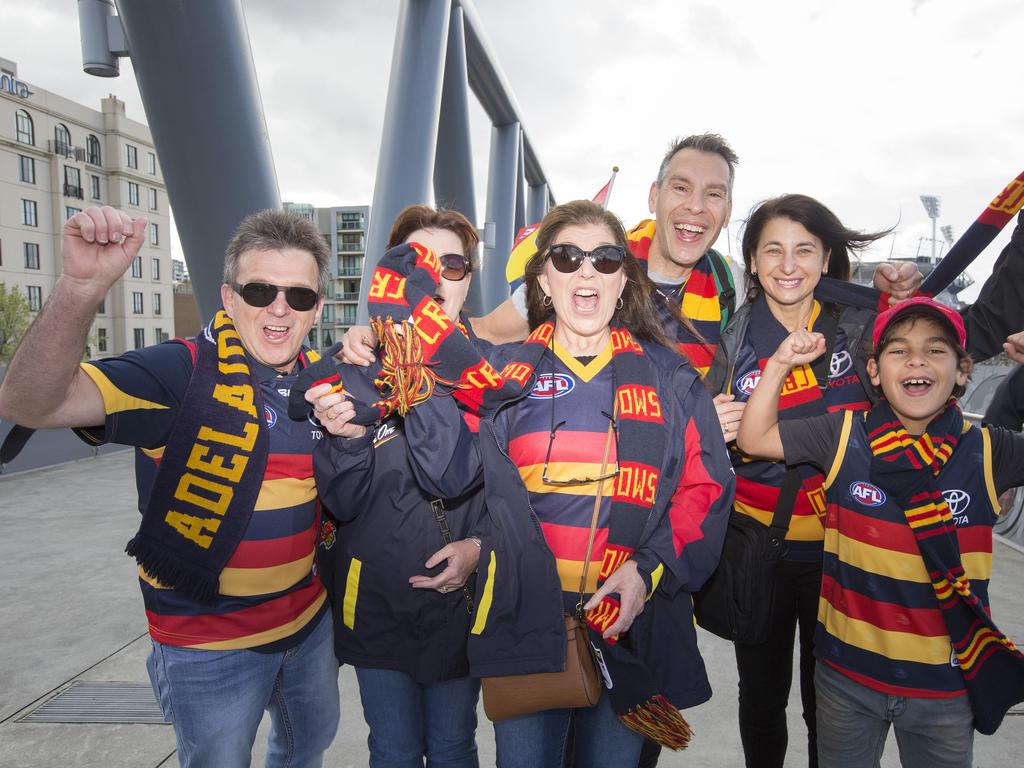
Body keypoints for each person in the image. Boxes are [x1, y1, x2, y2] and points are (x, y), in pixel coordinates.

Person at [0, 206, 340, 767]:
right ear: (229, 299)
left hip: (309, 628)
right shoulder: (180, 373)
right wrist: (81, 288)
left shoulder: (321, 386)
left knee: (307, 749)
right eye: (260, 291)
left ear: (316, 309)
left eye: (299, 296)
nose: (280, 309)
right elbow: (32, 403)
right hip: (207, 647)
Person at [431, 200, 735, 766]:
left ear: (624, 279)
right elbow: (457, 477)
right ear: (544, 278)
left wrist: (646, 571)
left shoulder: (671, 377)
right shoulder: (498, 375)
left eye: (606, 258)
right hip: (523, 624)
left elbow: (707, 490)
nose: (586, 271)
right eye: (567, 257)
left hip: (627, 626)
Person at [737, 296, 1024, 767]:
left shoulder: (991, 451)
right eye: (898, 351)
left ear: (963, 371)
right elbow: (753, 438)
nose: (916, 360)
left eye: (936, 350)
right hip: (846, 679)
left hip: (946, 687)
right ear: (873, 371)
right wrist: (779, 365)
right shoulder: (843, 435)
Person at [704, 194, 887, 767]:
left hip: (846, 549)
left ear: (827, 257)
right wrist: (707, 426)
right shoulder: (735, 341)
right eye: (772, 250)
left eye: (804, 249)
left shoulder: (859, 328)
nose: (789, 265)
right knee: (761, 698)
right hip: (761, 549)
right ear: (752, 262)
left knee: (828, 701)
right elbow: (702, 443)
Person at [305, 206, 486, 767]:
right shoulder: (354, 369)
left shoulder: (489, 374)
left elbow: (518, 494)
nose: (432, 278)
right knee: (393, 749)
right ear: (391, 276)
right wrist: (349, 439)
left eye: (451, 264)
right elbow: (341, 501)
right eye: (417, 262)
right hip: (376, 602)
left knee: (455, 745)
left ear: (468, 280)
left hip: (461, 605)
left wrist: (479, 549)